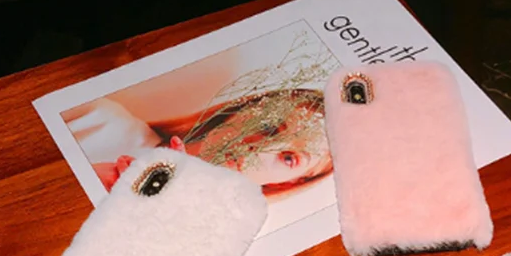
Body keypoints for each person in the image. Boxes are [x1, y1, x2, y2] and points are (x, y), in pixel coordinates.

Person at [64, 87, 333, 196]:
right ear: (242, 110)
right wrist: (83, 180)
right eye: (268, 127)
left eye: (289, 158)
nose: (260, 149)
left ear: (286, 182)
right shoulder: (94, 117)